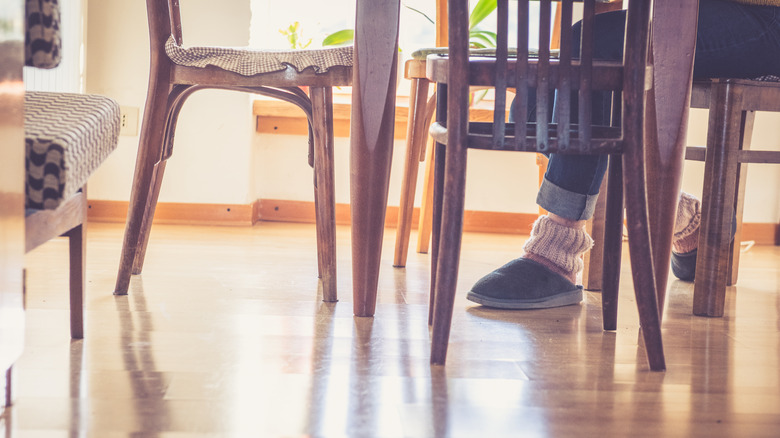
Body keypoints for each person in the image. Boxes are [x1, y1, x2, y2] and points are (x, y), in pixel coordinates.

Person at [466, 0, 780, 309]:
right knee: (549, 77)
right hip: (704, 11)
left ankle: (558, 250)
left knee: (591, 43)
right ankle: (681, 215)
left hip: (767, 17)